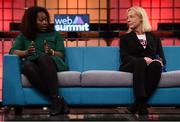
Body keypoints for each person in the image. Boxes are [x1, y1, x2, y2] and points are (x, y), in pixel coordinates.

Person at [9, 6, 69, 116]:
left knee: (43, 58)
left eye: (46, 19)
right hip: (33, 64)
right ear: (32, 21)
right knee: (27, 66)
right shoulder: (24, 36)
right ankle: (57, 99)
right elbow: (13, 51)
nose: (45, 23)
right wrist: (26, 52)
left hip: (51, 63)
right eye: (41, 20)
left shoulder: (55, 34)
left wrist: (51, 52)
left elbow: (61, 54)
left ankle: (56, 101)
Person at [119, 6, 166, 118]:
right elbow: (125, 57)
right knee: (140, 62)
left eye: (131, 17)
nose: (128, 20)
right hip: (130, 65)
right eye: (127, 18)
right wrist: (143, 59)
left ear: (141, 18)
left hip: (149, 66)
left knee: (156, 66)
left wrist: (158, 61)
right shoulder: (125, 38)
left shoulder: (154, 37)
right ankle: (142, 104)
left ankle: (136, 105)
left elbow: (162, 58)